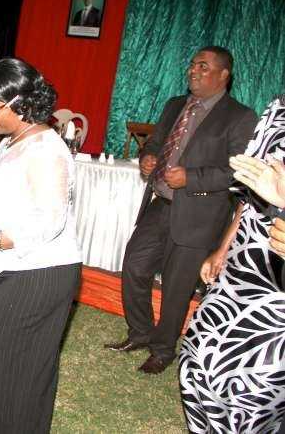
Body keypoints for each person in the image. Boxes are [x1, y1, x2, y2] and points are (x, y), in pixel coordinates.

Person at [0, 58, 81, 433]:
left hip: (41, 271)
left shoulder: (47, 150)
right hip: (13, 266)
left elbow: (47, 221)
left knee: (7, 357)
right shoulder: (12, 140)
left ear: (20, 103)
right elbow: (2, 198)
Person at [104, 46, 258, 374]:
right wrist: (149, 156)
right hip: (161, 205)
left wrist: (191, 177)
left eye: (203, 67)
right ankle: (141, 332)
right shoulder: (175, 104)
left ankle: (163, 349)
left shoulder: (240, 116)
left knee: (177, 285)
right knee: (134, 265)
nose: (193, 71)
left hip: (200, 215)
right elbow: (157, 143)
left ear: (223, 75)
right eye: (192, 65)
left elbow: (239, 170)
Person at [179, 96, 285, 433]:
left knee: (256, 388)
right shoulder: (277, 109)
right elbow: (249, 195)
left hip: (276, 290)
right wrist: (223, 247)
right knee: (198, 360)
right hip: (247, 257)